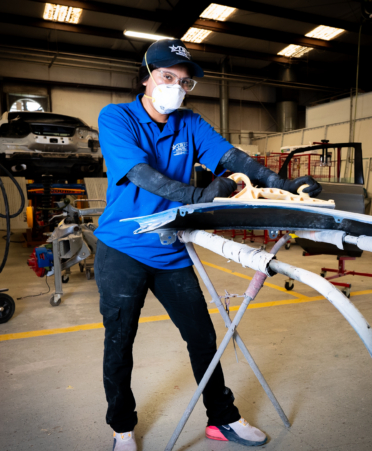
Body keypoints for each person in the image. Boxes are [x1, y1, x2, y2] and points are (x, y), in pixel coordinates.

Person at [95, 39, 321, 451]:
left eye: (184, 82)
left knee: (202, 337)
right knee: (119, 340)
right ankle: (122, 426)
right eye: (167, 78)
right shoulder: (117, 117)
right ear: (146, 78)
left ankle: (222, 418)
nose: (176, 88)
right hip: (123, 247)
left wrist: (285, 184)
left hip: (170, 248)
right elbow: (143, 174)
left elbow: (234, 159)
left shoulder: (190, 122)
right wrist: (199, 197)